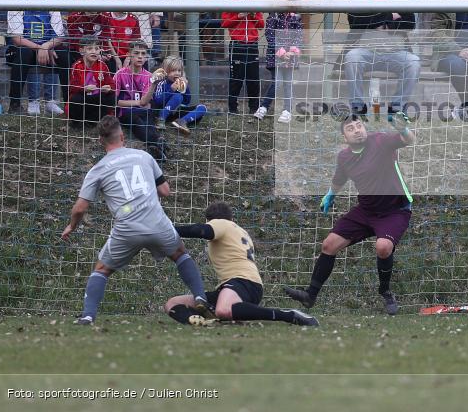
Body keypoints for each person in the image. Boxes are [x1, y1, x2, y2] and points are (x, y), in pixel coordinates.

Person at [60, 116, 210, 325]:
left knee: (102, 269)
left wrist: (71, 226)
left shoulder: (98, 169)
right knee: (179, 254)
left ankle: (87, 316)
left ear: (101, 141)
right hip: (156, 221)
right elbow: (165, 191)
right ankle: (200, 296)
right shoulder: (144, 156)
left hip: (127, 228)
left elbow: (80, 207)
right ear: (123, 136)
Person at [284, 113, 416, 315]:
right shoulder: (344, 157)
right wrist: (330, 194)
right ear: (345, 137)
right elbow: (339, 178)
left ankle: (385, 291)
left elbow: (408, 140)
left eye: (359, 125)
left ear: (365, 128)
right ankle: (310, 295)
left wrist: (403, 129)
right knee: (329, 244)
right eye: (351, 128)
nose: (357, 130)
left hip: (394, 210)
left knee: (383, 247)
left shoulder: (380, 140)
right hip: (366, 210)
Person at [165, 202, 318, 327]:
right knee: (172, 304)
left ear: (210, 220)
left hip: (242, 282)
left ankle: (288, 315)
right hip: (237, 286)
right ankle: (204, 323)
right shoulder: (239, 231)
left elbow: (201, 231)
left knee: (223, 310)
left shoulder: (222, 224)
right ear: (232, 217)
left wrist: (166, 230)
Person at [345, 0, 419, 117]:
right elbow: (357, 22)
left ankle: (397, 109)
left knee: (413, 62)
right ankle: (358, 108)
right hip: (366, 52)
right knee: (352, 58)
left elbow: (410, 23)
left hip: (396, 53)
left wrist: (379, 21)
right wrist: (391, 16)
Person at [6, 0, 68, 115]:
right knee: (23, 54)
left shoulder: (51, 5)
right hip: (26, 49)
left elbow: (60, 36)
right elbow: (17, 38)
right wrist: (40, 47)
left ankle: (70, 104)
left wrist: (46, 46)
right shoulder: (16, 6)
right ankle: (15, 105)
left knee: (65, 56)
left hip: (48, 49)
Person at [114, 40, 168, 162]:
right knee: (135, 117)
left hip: (143, 110)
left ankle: (156, 147)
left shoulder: (149, 76)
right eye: (136, 53)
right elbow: (115, 101)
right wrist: (138, 103)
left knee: (148, 118)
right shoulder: (120, 74)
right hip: (126, 112)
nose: (140, 56)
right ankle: (157, 142)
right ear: (129, 55)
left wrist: (153, 85)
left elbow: (145, 102)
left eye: (143, 54)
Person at [221, 0, 264, 116]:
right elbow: (225, 23)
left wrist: (252, 15)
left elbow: (261, 24)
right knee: (236, 78)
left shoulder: (254, 4)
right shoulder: (230, 4)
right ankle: (233, 108)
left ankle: (254, 107)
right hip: (237, 45)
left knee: (253, 78)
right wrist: (239, 15)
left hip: (252, 45)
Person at [257, 0, 303, 123]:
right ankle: (264, 107)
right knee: (276, 82)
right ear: (277, 0)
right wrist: (282, 52)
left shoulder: (296, 18)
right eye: (282, 0)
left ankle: (287, 111)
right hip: (276, 57)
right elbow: (270, 37)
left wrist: (293, 51)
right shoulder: (272, 18)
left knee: (288, 83)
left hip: (291, 57)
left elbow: (299, 36)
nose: (285, 3)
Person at [65, 35, 116, 125]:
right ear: (81, 51)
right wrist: (84, 89)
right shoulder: (77, 66)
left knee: (111, 97)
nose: (94, 52)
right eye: (89, 49)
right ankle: (78, 121)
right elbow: (72, 87)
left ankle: (96, 120)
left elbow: (112, 84)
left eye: (96, 48)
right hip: (83, 98)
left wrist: (109, 88)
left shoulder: (102, 65)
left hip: (97, 98)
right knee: (75, 99)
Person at [151, 55, 208, 135]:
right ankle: (161, 119)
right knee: (178, 96)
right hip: (161, 111)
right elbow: (158, 101)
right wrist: (171, 90)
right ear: (165, 71)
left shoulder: (181, 83)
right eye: (173, 70)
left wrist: (186, 88)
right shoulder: (161, 83)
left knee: (202, 108)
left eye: (179, 70)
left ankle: (182, 121)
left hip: (176, 112)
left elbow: (186, 102)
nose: (177, 73)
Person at [101, 0, 141, 69]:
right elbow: (106, 40)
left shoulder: (133, 18)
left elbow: (135, 41)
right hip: (111, 56)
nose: (124, 0)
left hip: (128, 56)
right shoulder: (106, 17)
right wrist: (117, 59)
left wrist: (128, 58)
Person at [65, 0, 106, 68]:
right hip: (78, 53)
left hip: (99, 53)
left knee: (110, 61)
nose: (95, 2)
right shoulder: (74, 17)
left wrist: (100, 53)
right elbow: (75, 42)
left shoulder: (105, 17)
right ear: (83, 0)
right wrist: (90, 53)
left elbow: (105, 39)